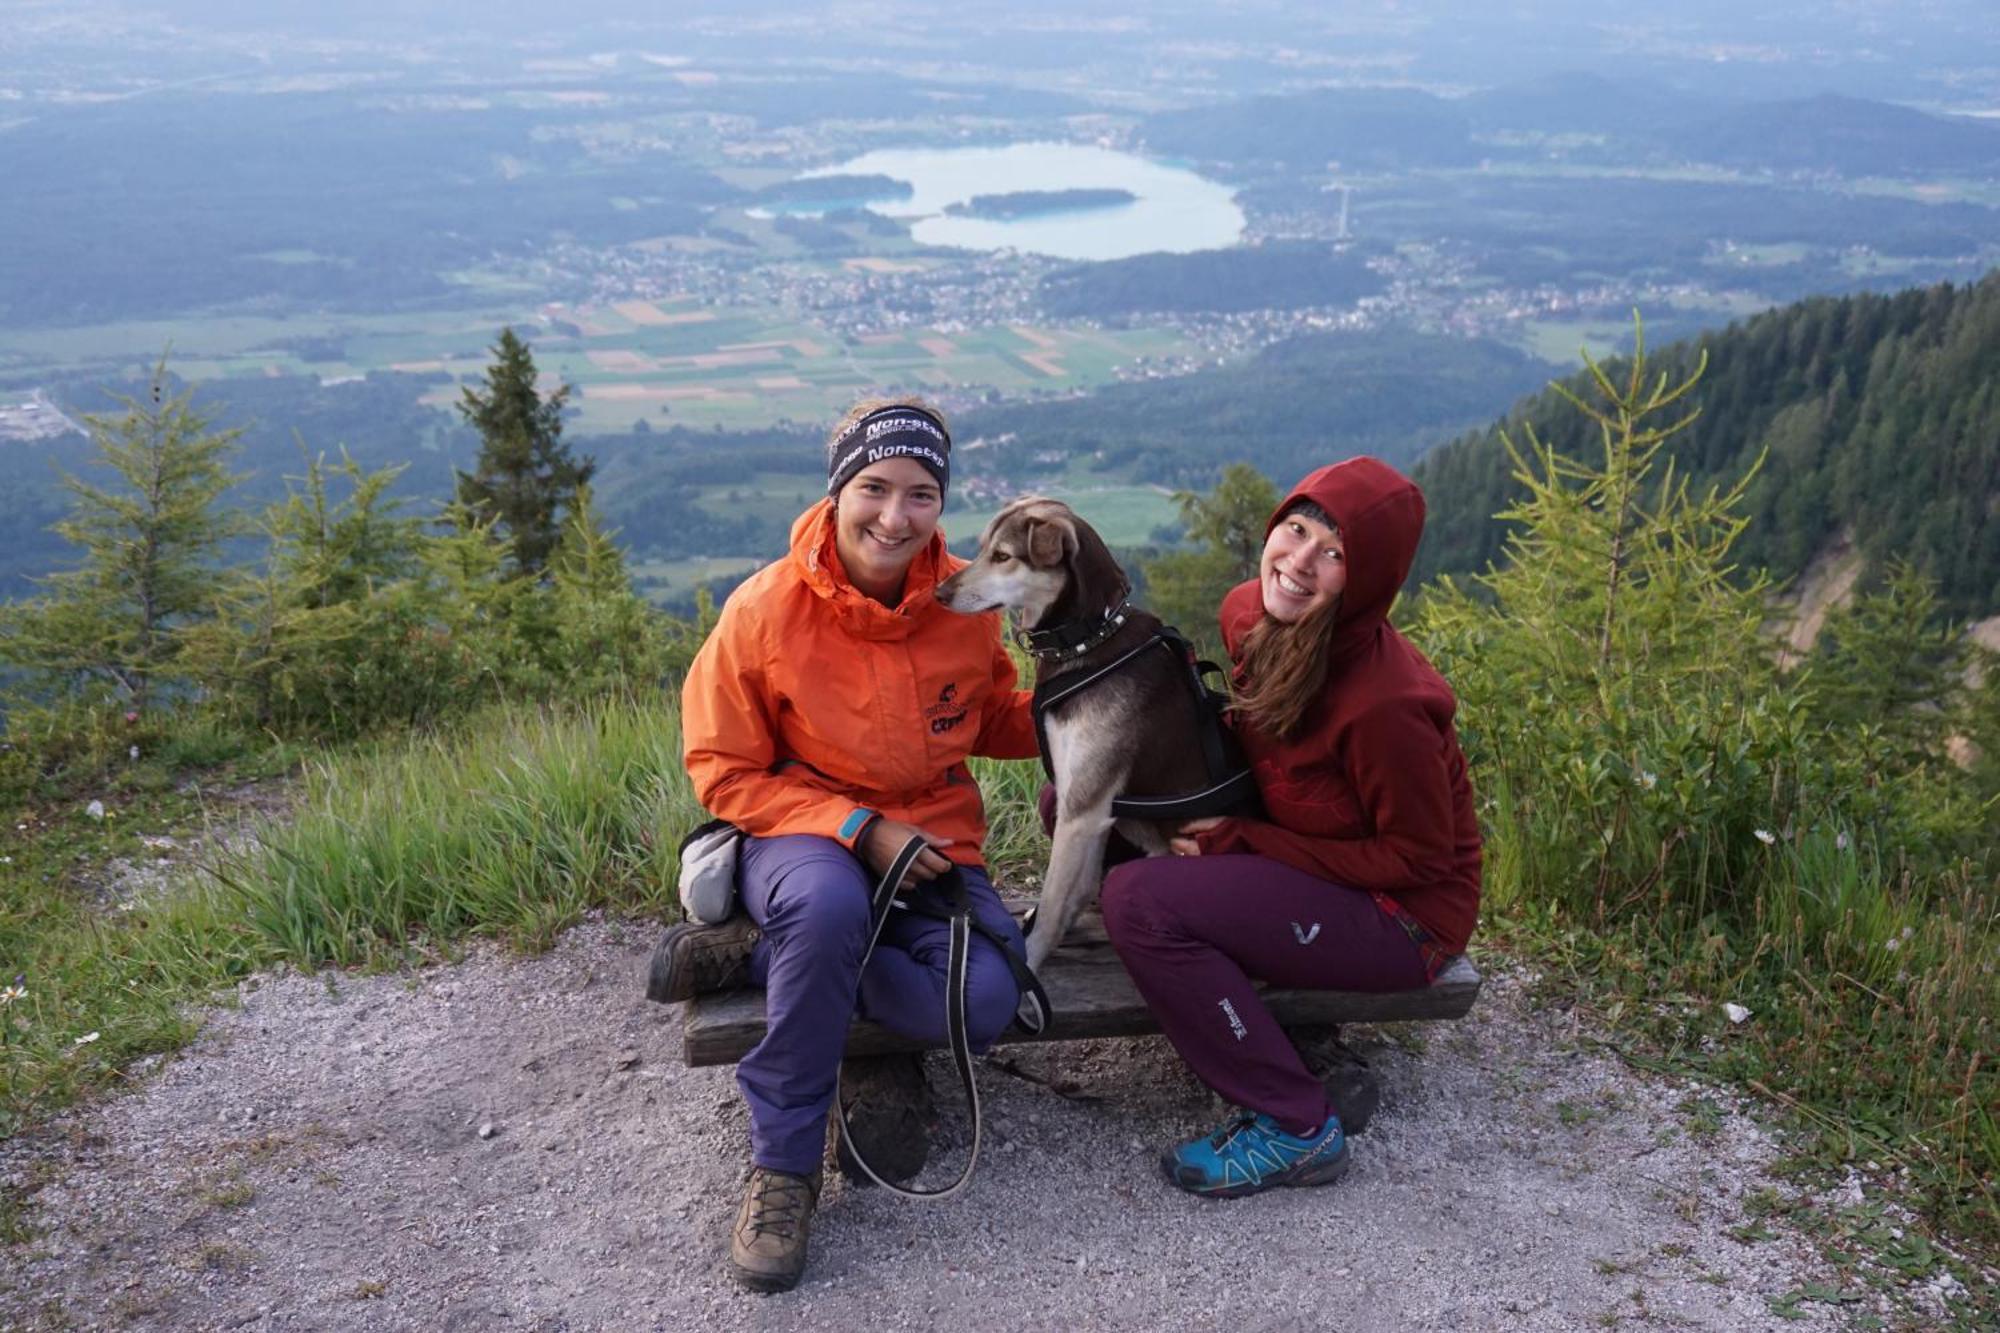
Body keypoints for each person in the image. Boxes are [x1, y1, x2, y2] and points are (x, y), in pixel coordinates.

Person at [660, 398, 1038, 1293]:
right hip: (804, 835)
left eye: (921, 495)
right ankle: (784, 1167)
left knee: (983, 999)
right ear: (837, 489)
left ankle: (771, 956)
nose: (894, 518)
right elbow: (722, 768)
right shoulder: (765, 610)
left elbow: (988, 717)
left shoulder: (966, 601)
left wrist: (1098, 684)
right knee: (827, 907)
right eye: (873, 488)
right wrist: (860, 830)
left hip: (936, 842)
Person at [1099, 456, 1481, 1198]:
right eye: (1296, 529)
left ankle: (1296, 1125)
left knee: (1140, 902)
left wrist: (1243, 842)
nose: (1298, 562)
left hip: (1404, 916)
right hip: (1311, 858)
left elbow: (1418, 857)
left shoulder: (1386, 706)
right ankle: (1209, 960)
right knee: (1089, 810)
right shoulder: (1250, 616)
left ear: (1367, 579)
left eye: (1334, 554)